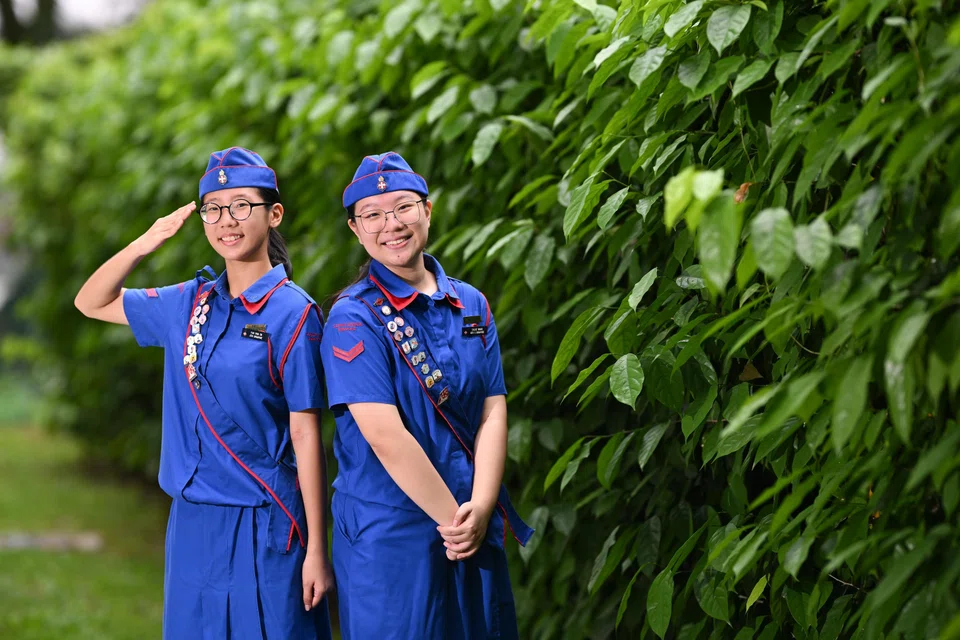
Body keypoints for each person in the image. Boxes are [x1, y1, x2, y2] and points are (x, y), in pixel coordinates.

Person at [74, 147, 333, 640]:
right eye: (213, 208)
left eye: (241, 206)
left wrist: (317, 550)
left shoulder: (294, 313)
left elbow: (306, 434)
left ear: (273, 214)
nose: (225, 221)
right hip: (193, 520)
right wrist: (146, 243)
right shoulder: (188, 303)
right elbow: (90, 301)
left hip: (266, 522)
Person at [320, 151, 534, 639]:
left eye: (402, 208)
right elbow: (384, 436)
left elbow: (492, 411)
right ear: (355, 229)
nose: (390, 224)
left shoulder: (470, 303)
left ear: (427, 211)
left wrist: (479, 507)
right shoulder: (354, 318)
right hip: (392, 532)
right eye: (372, 215)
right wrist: (457, 525)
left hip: (470, 518)